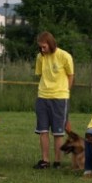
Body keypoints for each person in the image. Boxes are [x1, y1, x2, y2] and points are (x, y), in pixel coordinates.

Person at [33, 31, 74, 169]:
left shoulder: (65, 56)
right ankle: (45, 160)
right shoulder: (40, 57)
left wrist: (65, 91)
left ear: (51, 44)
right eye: (40, 47)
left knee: (58, 132)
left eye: (44, 47)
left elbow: (70, 75)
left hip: (60, 98)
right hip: (42, 96)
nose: (42, 49)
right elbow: (40, 75)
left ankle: (58, 161)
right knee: (43, 131)